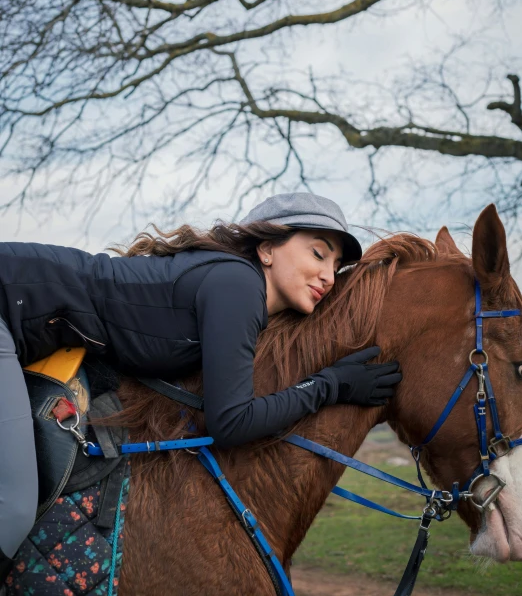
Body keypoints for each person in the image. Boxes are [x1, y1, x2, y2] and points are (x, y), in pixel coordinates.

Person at [0, 192, 401, 582]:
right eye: (318, 253)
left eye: (336, 264)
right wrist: (330, 385)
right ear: (266, 249)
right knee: (13, 509)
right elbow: (230, 423)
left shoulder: (232, 286)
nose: (329, 276)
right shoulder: (238, 285)